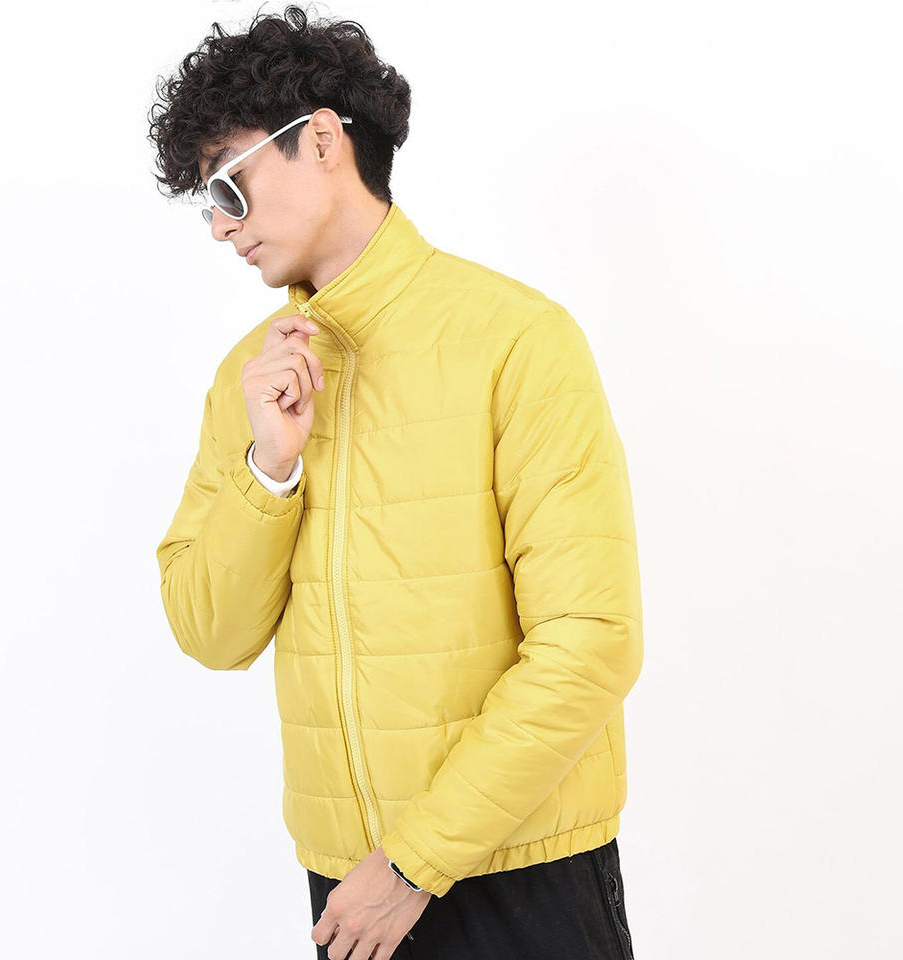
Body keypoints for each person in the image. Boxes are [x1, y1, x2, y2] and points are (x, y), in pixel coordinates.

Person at [149, 5, 642, 958]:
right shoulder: (249, 378)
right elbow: (209, 632)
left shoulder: (516, 340)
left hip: (522, 873)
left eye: (229, 184)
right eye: (207, 201)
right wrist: (268, 470)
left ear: (321, 140)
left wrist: (414, 863)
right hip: (350, 893)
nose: (218, 226)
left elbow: (591, 642)